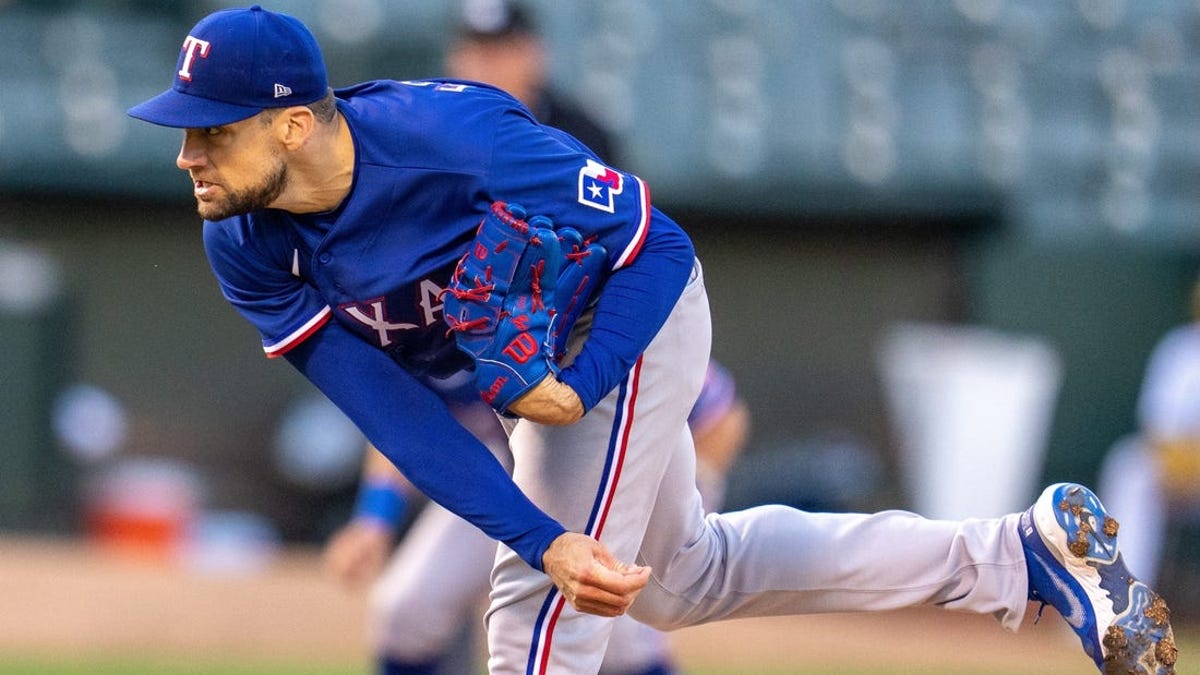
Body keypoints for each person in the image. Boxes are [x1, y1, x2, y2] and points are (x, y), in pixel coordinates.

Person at [127, 6, 1176, 674]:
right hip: (530, 388)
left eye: (212, 129)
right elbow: (391, 408)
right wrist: (539, 526)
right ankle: (1017, 557)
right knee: (680, 582)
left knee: (534, 622)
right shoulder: (246, 239)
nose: (188, 157)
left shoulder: (460, 143)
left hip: (624, 318)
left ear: (297, 123)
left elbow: (658, 245)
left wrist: (580, 388)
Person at [324, 361, 749, 674]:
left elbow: (722, 419)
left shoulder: (581, 312)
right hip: (507, 485)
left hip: (607, 493)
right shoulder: (426, 323)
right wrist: (373, 520)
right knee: (407, 608)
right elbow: (400, 422)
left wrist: (666, 528)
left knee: (618, 643)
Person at [1098, 274, 1200, 587]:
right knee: (1131, 466)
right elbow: (1158, 428)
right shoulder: (1182, 349)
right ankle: (1122, 597)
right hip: (1182, 470)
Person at [444, 0, 617, 166]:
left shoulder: (581, 137)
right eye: (477, 52)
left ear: (535, 55)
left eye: (503, 51)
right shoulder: (435, 132)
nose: (487, 67)